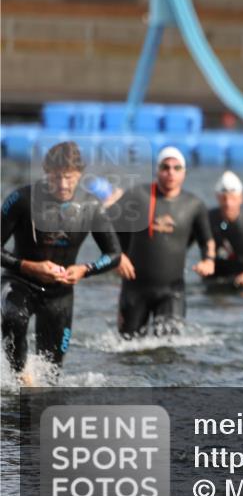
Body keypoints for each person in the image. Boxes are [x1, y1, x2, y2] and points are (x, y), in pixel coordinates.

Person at [1, 141, 121, 380]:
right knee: (15, 318)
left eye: (69, 178)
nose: (63, 185)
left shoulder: (91, 207)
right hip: (19, 282)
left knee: (52, 375)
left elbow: (114, 254)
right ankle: (20, 379)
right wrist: (28, 266)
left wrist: (85, 270)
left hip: (60, 294)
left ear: (79, 175)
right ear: (46, 172)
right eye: (56, 178)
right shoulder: (22, 199)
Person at [116, 147, 215, 338]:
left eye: (177, 168)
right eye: (165, 167)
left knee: (169, 350)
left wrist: (208, 260)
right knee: (126, 351)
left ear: (184, 173)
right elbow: (106, 224)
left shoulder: (194, 205)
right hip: (135, 289)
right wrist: (117, 256)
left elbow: (207, 240)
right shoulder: (138, 196)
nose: (171, 172)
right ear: (157, 170)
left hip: (172, 292)